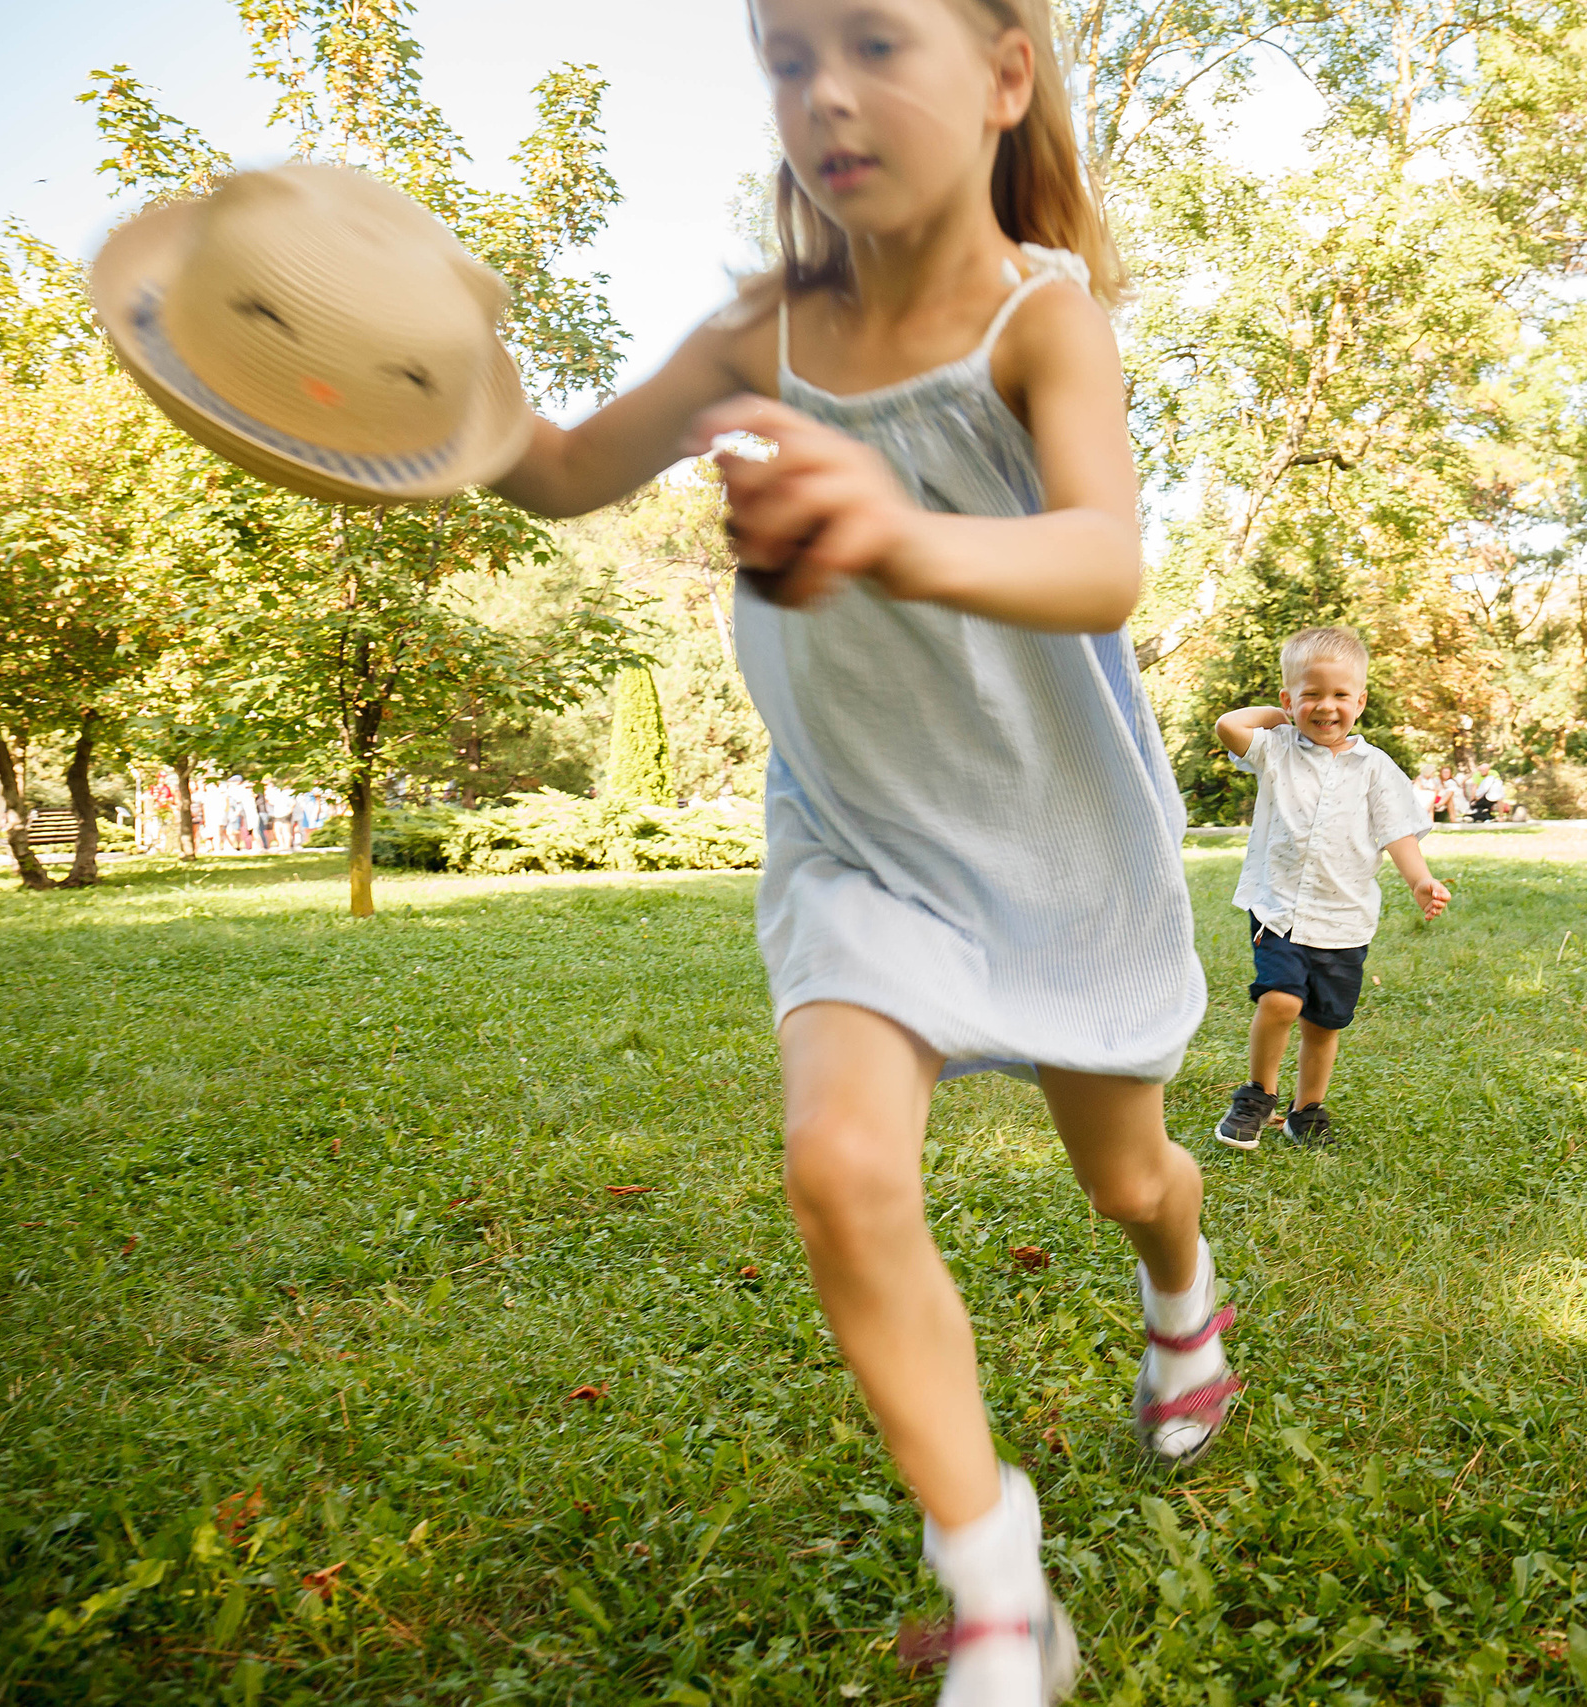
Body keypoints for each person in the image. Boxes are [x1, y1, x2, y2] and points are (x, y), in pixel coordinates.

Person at [485, 5, 1233, 1698]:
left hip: (1056, 837)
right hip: (858, 838)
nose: (824, 91)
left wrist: (896, 530)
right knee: (839, 1165)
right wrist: (428, 385)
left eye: (876, 40)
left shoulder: (1046, 318)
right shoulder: (758, 333)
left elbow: (1105, 559)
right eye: (787, 52)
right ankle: (996, 1588)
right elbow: (552, 472)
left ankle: (1185, 1290)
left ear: (1003, 76)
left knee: (1127, 1178)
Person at [1210, 626, 1450, 1151]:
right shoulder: (1276, 751)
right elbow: (1229, 726)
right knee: (1280, 1000)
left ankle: (1306, 1109)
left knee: (1324, 1023)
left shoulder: (1376, 768)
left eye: (1340, 695)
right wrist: (1278, 717)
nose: (1326, 706)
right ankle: (1257, 1096)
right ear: (1288, 699)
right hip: (1280, 910)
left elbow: (1397, 833)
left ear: (1360, 701)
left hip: (1345, 917)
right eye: (1310, 694)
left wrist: (1420, 880)